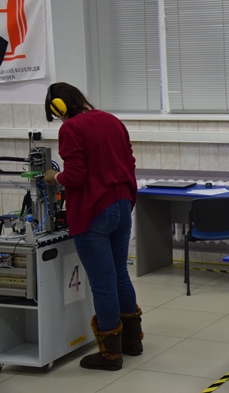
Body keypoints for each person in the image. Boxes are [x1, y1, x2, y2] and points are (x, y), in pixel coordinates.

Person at [43, 82, 143, 371]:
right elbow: (129, 161)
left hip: (94, 211)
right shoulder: (112, 120)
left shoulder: (71, 128)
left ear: (59, 108)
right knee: (120, 273)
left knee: (102, 282)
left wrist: (53, 177)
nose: (59, 120)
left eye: (57, 114)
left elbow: (75, 175)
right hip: (122, 205)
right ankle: (132, 342)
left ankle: (110, 354)